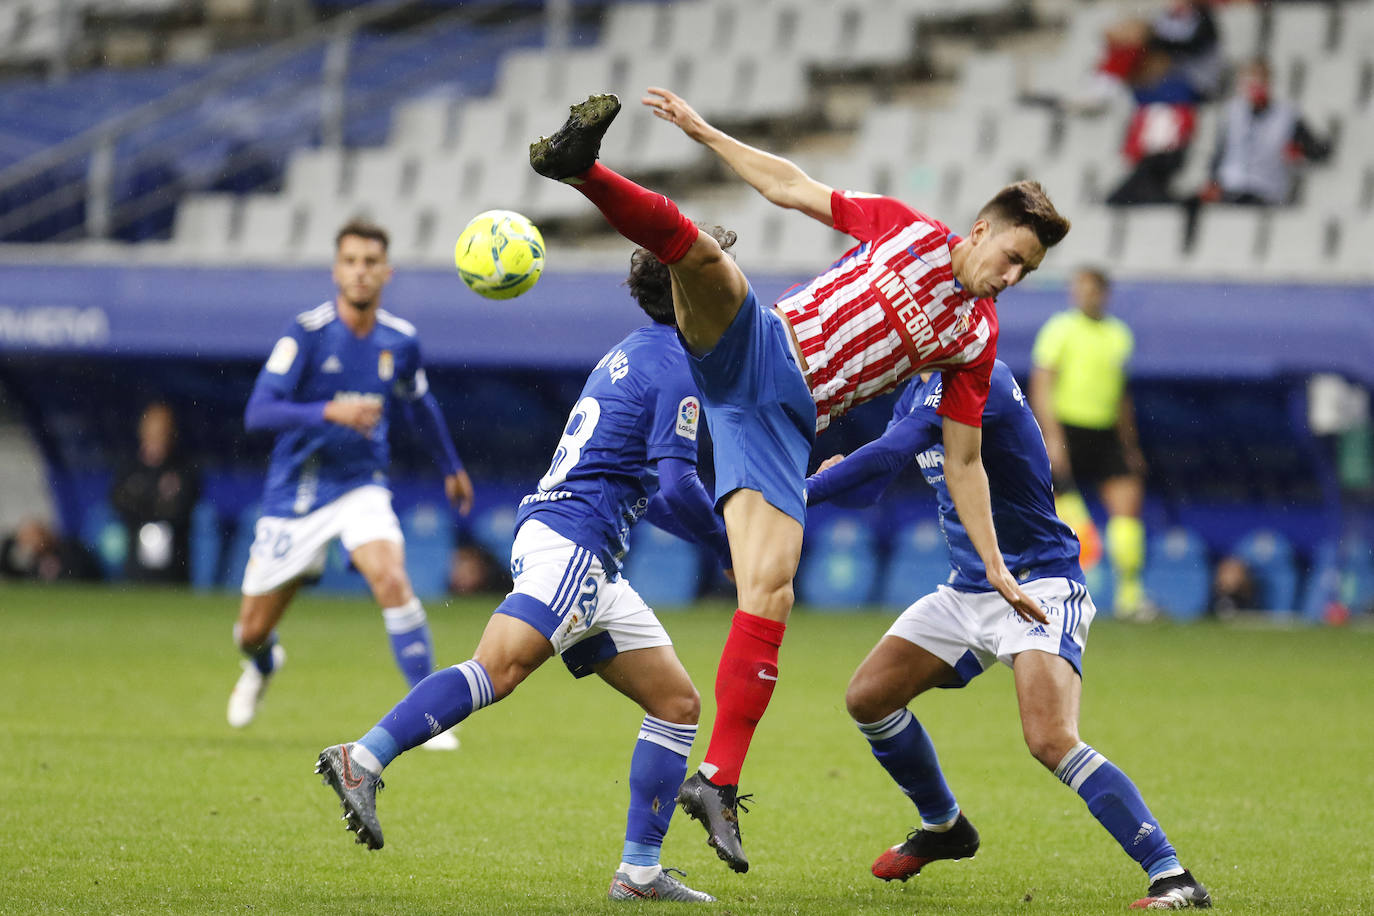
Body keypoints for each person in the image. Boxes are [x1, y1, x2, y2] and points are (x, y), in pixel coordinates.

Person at [528, 90, 1070, 873]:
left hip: (780, 426)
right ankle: (582, 171)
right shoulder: (905, 229)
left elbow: (963, 460)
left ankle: (717, 781)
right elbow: (788, 185)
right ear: (979, 230)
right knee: (705, 256)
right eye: (1013, 256)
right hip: (762, 350)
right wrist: (706, 131)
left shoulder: (974, 340)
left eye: (1028, 269)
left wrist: (993, 567)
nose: (1013, 276)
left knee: (770, 592)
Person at [314, 233, 735, 903]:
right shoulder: (676, 367)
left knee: (677, 704)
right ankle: (360, 759)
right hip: (574, 543)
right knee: (498, 670)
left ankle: (641, 873)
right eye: (716, 273)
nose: (728, 285)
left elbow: (646, 491)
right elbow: (680, 488)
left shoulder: (635, 351)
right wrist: (728, 549)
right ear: (690, 290)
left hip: (585, 548)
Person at [807, 361, 1212, 910]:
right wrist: (835, 475)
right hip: (970, 588)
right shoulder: (915, 392)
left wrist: (798, 491)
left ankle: (1172, 874)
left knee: (1050, 739)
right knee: (868, 698)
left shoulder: (982, 379)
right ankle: (945, 827)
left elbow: (885, 452)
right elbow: (873, 479)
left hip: (1039, 583)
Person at [226, 218, 475, 749]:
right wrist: (330, 411)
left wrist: (450, 466)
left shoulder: (400, 341)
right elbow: (258, 412)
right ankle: (264, 665)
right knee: (250, 632)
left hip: (362, 485)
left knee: (390, 577)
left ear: (386, 271)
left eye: (370, 262)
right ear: (336, 269)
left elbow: (420, 405)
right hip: (296, 495)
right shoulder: (307, 334)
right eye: (351, 261)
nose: (360, 272)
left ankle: (428, 718)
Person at [1030, 268, 1150, 619]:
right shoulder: (1059, 329)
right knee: (1065, 515)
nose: (1083, 296)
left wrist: (1129, 444)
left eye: (1090, 289)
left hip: (1106, 433)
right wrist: (1050, 436)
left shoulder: (1118, 334)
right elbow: (1042, 384)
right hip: (1067, 430)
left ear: (1104, 293)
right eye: (1077, 289)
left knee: (1128, 507)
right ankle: (1066, 592)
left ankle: (1130, 597)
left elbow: (1120, 393)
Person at [1198, 57, 1333, 207]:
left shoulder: (1287, 116)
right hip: (1230, 187)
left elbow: (1316, 149)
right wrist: (1213, 182)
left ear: (1268, 82)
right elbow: (1219, 152)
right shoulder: (1232, 112)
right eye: (1249, 82)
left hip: (1266, 191)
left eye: (1259, 81)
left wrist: (1300, 150)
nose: (1254, 86)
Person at [109, 401, 201, 584]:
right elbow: (119, 501)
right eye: (154, 431)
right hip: (135, 549)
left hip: (174, 555)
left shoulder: (183, 468)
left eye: (163, 431)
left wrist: (145, 502)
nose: (159, 437)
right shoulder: (129, 467)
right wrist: (156, 503)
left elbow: (182, 507)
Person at [0, 516, 101, 582]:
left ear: (42, 535)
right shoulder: (30, 558)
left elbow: (74, 577)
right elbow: (12, 575)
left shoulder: (67, 551)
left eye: (31, 537)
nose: (28, 543)